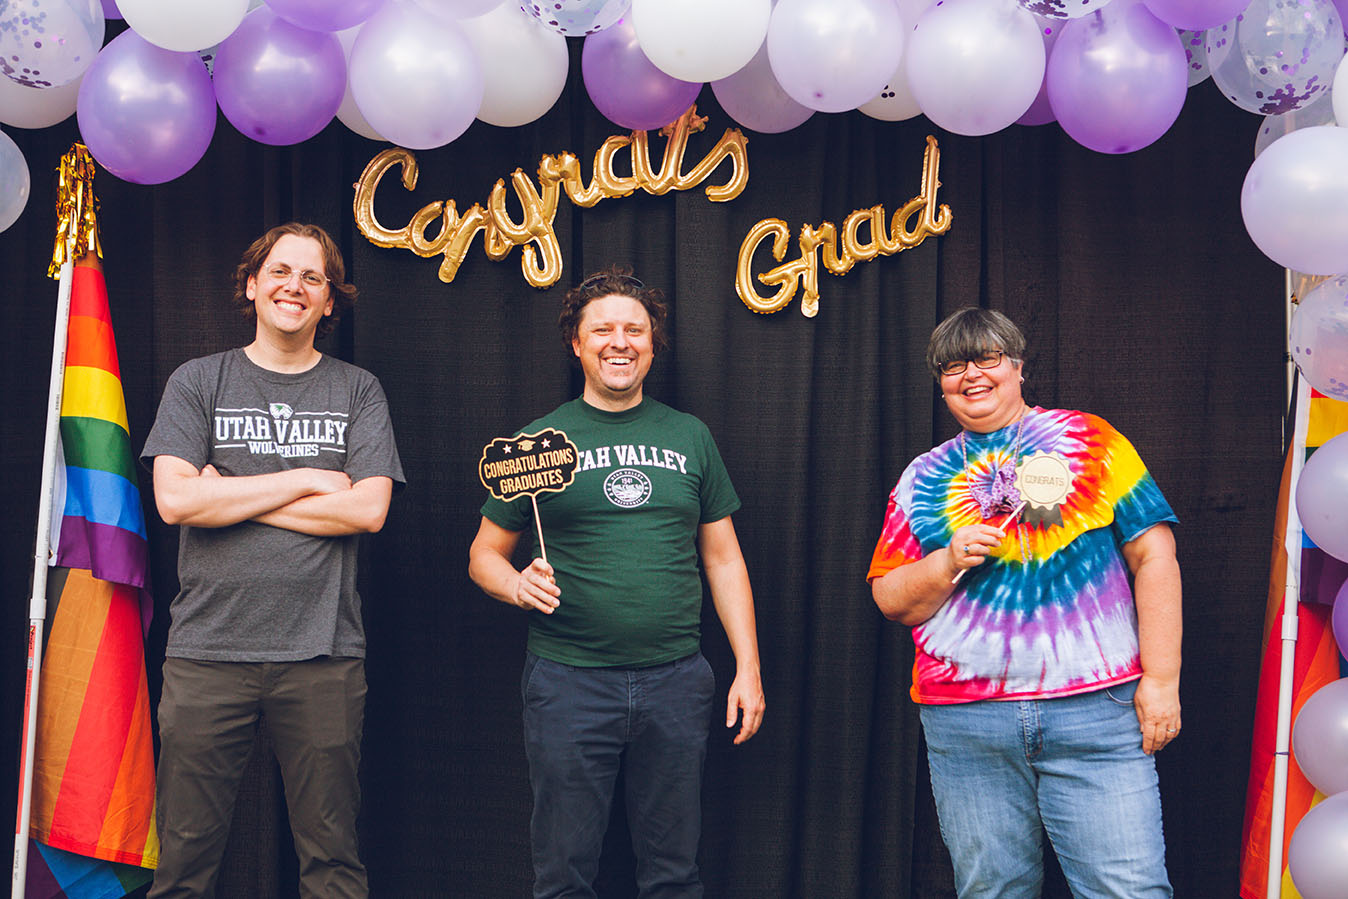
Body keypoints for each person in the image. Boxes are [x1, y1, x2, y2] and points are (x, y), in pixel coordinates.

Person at [468, 267, 766, 898]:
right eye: (601, 329)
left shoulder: (690, 437)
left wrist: (748, 667)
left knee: (674, 872)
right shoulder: (534, 444)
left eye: (634, 329)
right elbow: (483, 556)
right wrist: (516, 584)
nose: (619, 342)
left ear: (653, 344)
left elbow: (724, 559)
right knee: (564, 872)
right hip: (568, 683)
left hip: (678, 682)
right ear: (576, 345)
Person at [867, 307, 1181, 899]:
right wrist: (948, 561)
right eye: (953, 366)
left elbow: (1155, 557)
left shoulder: (1089, 440)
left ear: (1016, 366)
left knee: (1128, 890)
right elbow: (890, 598)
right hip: (967, 724)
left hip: (1095, 711)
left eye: (986, 359)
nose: (971, 376)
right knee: (993, 892)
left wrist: (1162, 678)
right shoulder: (923, 477)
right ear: (940, 383)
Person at [141, 222, 404, 898]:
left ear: (329, 301)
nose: (295, 286)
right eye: (281, 271)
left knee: (332, 860)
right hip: (205, 654)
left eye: (312, 277)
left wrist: (221, 491)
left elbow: (367, 510)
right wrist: (313, 478)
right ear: (253, 284)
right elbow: (174, 500)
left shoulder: (358, 390)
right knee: (182, 863)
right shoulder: (198, 381)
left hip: (323, 654)